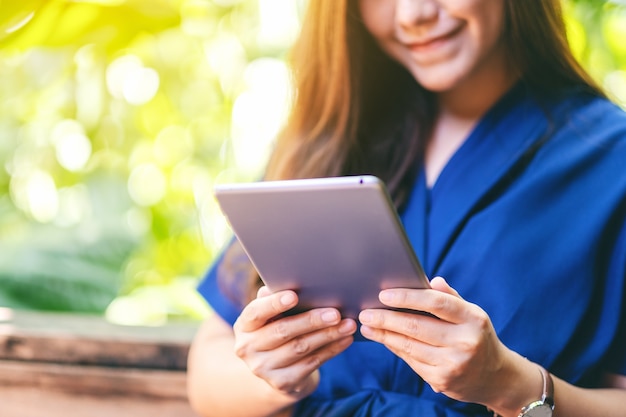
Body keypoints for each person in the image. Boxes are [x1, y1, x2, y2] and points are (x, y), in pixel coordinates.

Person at [187, 0, 626, 416]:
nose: (414, 14)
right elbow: (210, 363)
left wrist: (510, 384)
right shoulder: (329, 139)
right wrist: (275, 379)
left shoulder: (610, 161)